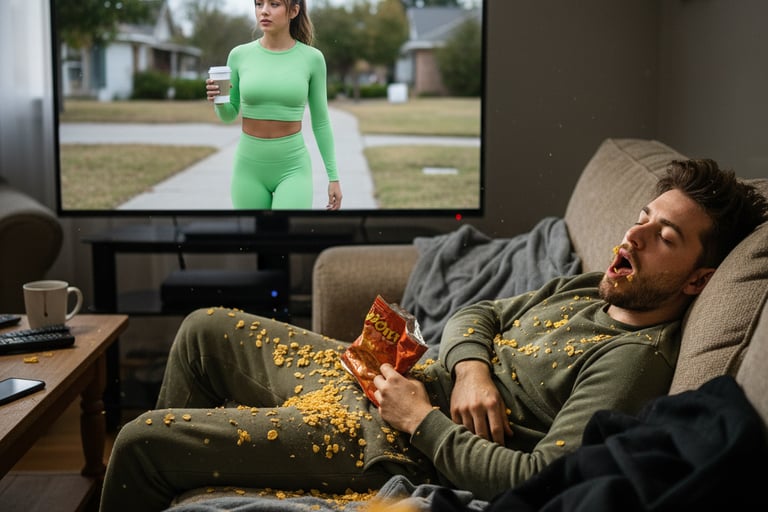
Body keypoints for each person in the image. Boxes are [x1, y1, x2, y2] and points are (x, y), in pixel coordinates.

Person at [99, 159, 767, 511]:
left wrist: (421, 421)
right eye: (644, 217)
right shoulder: (591, 285)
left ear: (698, 282)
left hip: (390, 440)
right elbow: (478, 310)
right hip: (389, 373)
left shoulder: (631, 362)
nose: (635, 235)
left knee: (141, 443)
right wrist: (472, 367)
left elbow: (538, 479)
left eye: (665, 238)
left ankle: (181, 473)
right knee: (202, 329)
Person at [207, 0, 343, 210]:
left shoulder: (312, 59)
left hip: (293, 168)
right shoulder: (238, 55)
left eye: (275, 4)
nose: (264, 11)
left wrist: (333, 177)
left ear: (294, 11)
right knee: (252, 242)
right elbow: (228, 115)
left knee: (287, 241)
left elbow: (321, 122)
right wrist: (219, 100)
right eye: (259, 4)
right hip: (248, 167)